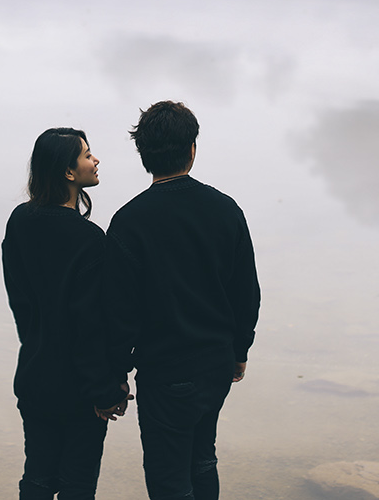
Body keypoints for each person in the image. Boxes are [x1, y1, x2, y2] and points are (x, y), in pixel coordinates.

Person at [105, 101, 261, 500]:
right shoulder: (226, 210)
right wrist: (239, 349)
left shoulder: (129, 221)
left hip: (165, 370)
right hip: (215, 364)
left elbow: (119, 312)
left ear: (143, 155)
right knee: (202, 459)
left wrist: (116, 374)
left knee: (167, 476)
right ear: (192, 149)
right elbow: (246, 291)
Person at [2, 127, 132, 500]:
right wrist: (106, 390)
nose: (96, 160)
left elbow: (21, 305)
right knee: (77, 485)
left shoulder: (19, 223)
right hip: (79, 389)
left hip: (35, 375)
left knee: (38, 477)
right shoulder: (89, 241)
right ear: (68, 172)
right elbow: (90, 324)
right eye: (87, 155)